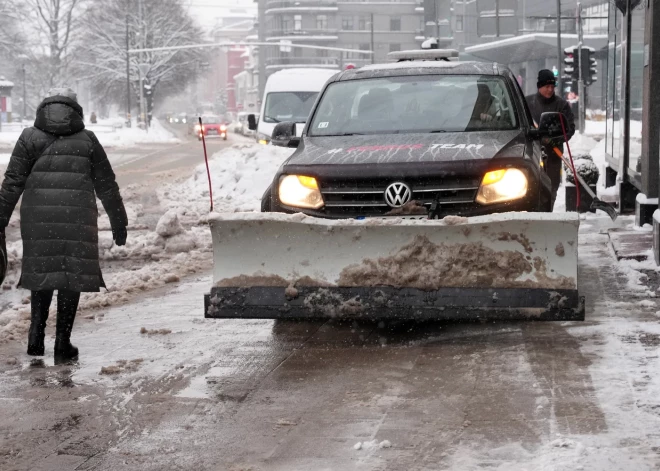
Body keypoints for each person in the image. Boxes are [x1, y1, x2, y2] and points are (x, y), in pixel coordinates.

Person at [0, 87, 128, 363]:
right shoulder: (88, 140)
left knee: (43, 273)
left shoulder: (28, 137)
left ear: (43, 107)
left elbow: (12, 182)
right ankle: (62, 343)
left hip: (38, 218)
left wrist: (0, 221)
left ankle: (36, 336)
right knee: (71, 276)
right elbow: (107, 184)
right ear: (75, 108)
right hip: (77, 218)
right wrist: (119, 221)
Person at [526, 69, 576, 210]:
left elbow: (570, 128)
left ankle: (548, 213)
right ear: (539, 86)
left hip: (553, 155)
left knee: (551, 187)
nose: (550, 90)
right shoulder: (528, 103)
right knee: (532, 187)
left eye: (552, 87)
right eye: (546, 86)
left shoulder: (561, 105)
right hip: (532, 155)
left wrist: (556, 139)